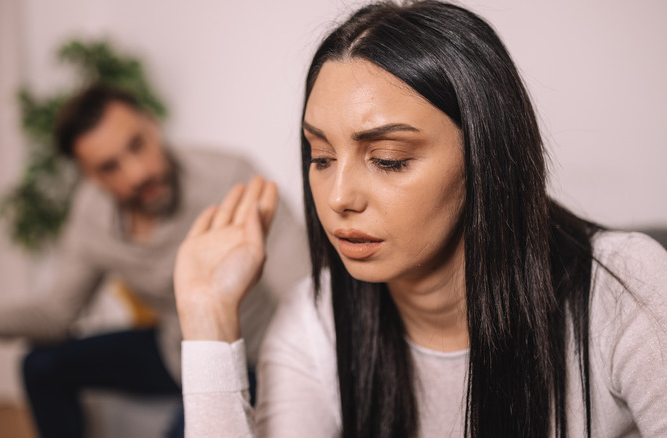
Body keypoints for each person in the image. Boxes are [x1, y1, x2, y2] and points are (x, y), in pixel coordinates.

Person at [174, 1, 667, 437]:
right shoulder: (316, 323)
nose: (339, 197)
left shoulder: (623, 290)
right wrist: (207, 322)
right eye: (321, 157)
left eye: (388, 159)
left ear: (485, 157)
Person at [0, 84, 309, 437]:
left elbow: (304, 290)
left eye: (137, 145)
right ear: (91, 175)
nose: (136, 173)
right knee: (42, 365)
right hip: (173, 350)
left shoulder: (227, 175)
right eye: (110, 167)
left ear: (152, 124)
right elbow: (55, 314)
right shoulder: (91, 218)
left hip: (253, 356)